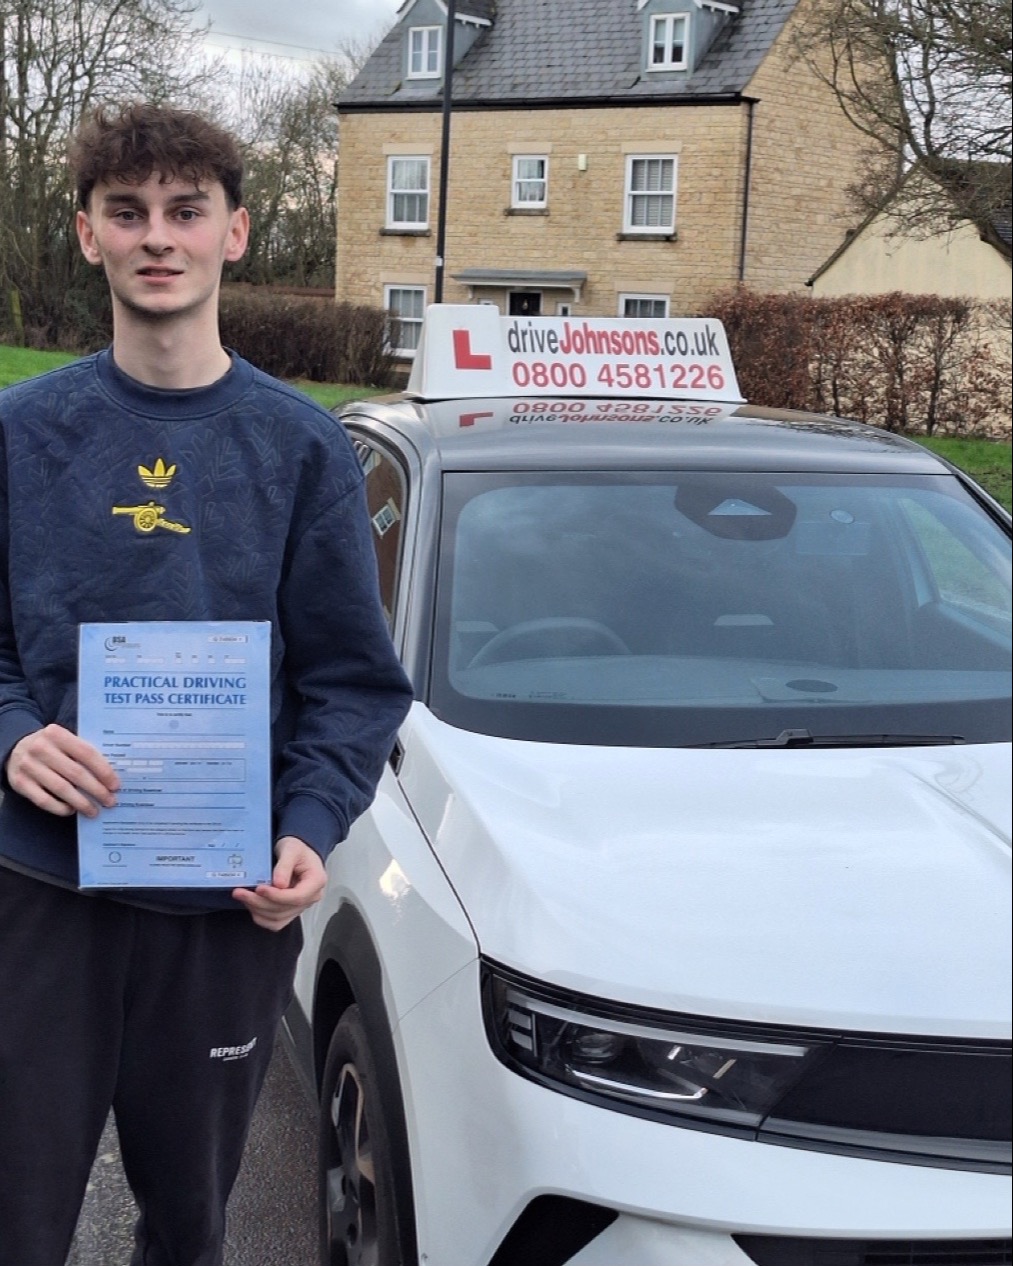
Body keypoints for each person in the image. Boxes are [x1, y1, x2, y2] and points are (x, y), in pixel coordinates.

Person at [0, 102, 413, 1266]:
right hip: (40, 899)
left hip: (222, 913)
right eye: (127, 213)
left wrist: (308, 828)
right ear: (87, 234)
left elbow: (350, 682)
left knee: (188, 1228)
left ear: (235, 232)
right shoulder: (21, 436)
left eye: (187, 211)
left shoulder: (299, 448)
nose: (157, 237)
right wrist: (13, 733)